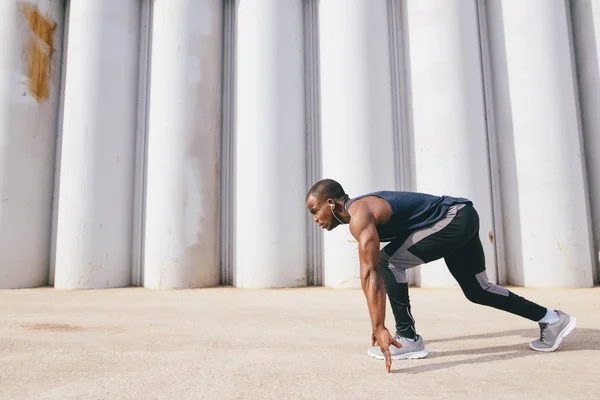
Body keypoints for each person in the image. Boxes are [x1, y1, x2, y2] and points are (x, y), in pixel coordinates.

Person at [305, 178, 577, 373]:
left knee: (389, 260)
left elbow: (370, 272)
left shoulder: (359, 214)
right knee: (478, 290)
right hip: (463, 215)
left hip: (452, 217)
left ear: (330, 203)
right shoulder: (361, 212)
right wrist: (377, 324)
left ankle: (409, 339)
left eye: (314, 211)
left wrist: (379, 326)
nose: (315, 219)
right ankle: (551, 319)